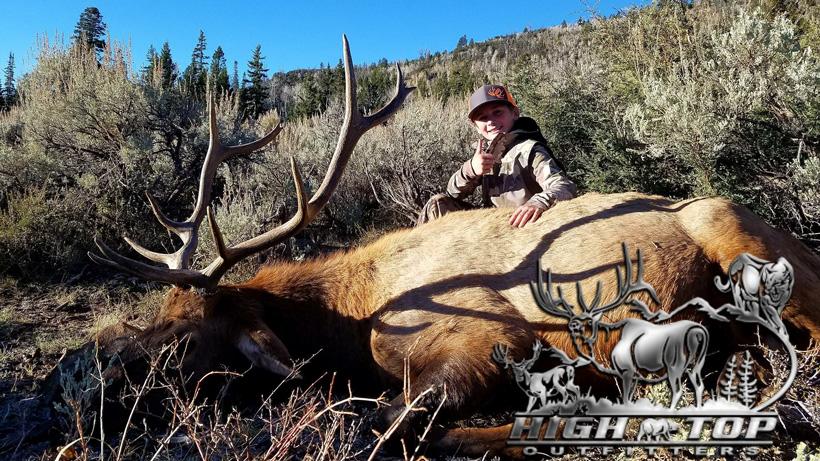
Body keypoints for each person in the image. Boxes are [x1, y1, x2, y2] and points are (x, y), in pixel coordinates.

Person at [416, 84, 576, 227]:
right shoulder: (485, 153)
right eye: (483, 118)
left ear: (514, 113)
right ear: (476, 127)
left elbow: (564, 186)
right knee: (437, 204)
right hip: (494, 226)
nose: (491, 122)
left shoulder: (530, 149)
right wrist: (471, 169)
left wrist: (537, 203)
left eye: (497, 112)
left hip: (525, 225)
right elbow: (452, 193)